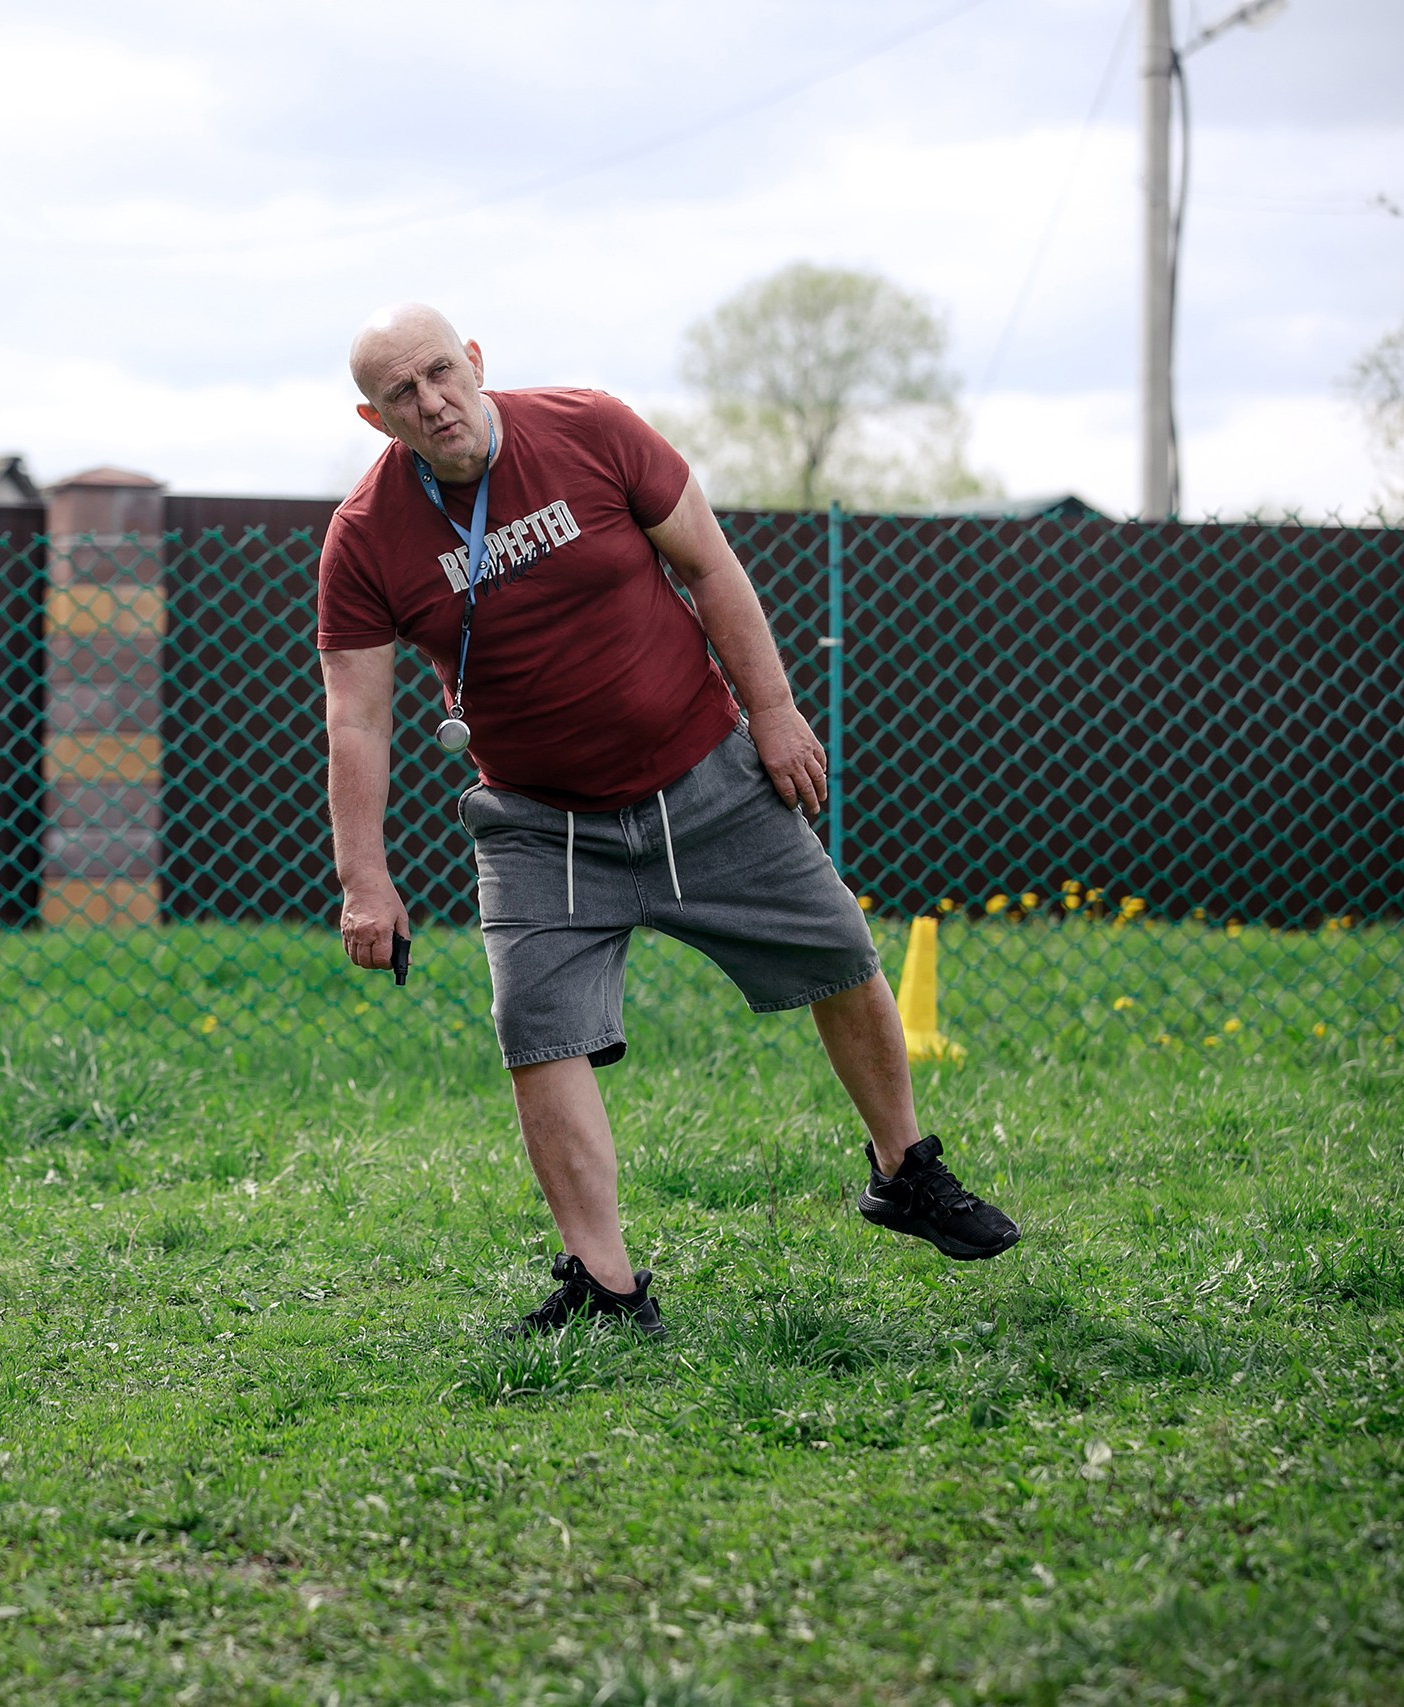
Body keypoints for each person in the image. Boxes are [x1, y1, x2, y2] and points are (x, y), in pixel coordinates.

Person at [318, 303, 1019, 1336]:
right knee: (536, 1031)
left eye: (438, 374)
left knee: (839, 953)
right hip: (536, 822)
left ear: (473, 362)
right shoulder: (367, 535)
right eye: (400, 395)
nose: (429, 402)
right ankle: (603, 1286)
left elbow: (708, 565)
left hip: (704, 777)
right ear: (377, 421)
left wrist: (774, 714)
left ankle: (903, 1172)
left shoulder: (591, 429)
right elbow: (358, 717)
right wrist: (363, 879)